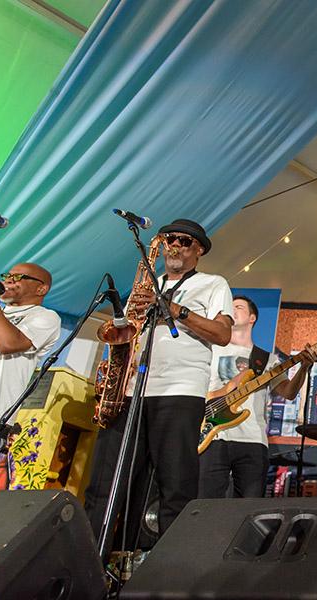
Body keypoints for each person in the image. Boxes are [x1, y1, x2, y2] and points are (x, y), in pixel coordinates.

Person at [84, 219, 233, 548]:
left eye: (184, 241)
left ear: (199, 250)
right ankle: (92, 566)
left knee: (174, 486)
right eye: (169, 240)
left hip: (179, 392)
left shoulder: (213, 284)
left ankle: (167, 574)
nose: (175, 245)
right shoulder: (145, 287)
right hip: (130, 391)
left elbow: (222, 334)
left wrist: (174, 309)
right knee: (104, 485)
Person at [198, 295, 317, 498]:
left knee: (248, 506)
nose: (233, 309)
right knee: (205, 502)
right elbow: (197, 391)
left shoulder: (267, 359)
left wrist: (304, 367)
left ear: (252, 317)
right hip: (213, 435)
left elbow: (288, 392)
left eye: (239, 307)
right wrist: (228, 388)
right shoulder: (211, 350)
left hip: (253, 439)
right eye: (230, 307)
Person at [0, 264, 61, 489]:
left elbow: (7, 343)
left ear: (41, 289)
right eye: (7, 275)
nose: (9, 280)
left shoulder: (45, 317)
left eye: (18, 277)